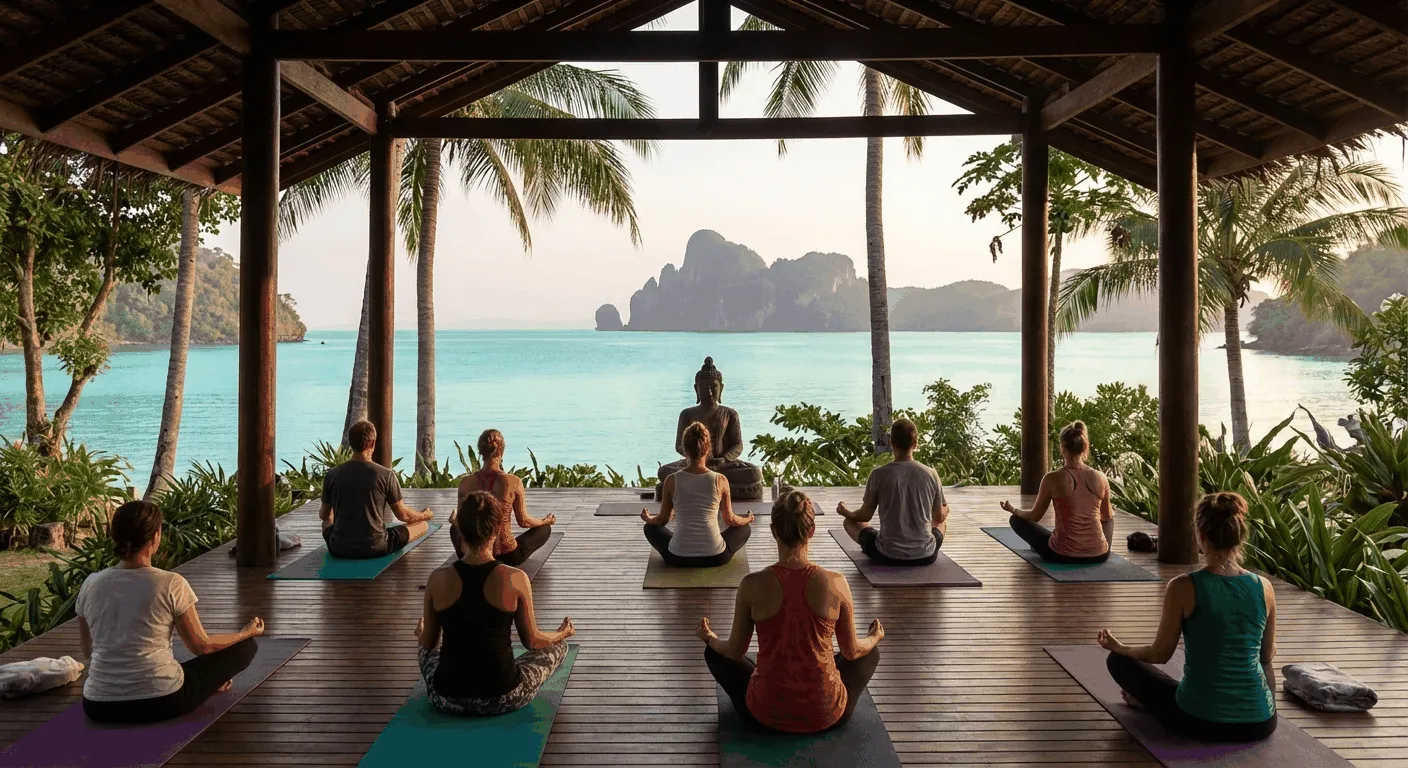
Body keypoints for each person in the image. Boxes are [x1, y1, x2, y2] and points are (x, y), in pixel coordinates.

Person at [697, 491, 883, 733]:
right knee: (870, 653)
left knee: (714, 654)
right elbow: (851, 651)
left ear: (774, 531)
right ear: (811, 531)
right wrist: (874, 637)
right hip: (827, 712)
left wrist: (709, 638)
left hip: (764, 712)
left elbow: (734, 651)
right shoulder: (836, 582)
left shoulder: (751, 584)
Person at [1099, 491, 1278, 742]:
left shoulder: (1183, 587)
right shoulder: (1264, 587)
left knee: (1118, 662)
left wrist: (1121, 647)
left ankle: (1146, 703)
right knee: (1258, 667)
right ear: (1239, 537)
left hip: (1199, 720)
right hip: (1261, 723)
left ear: (1202, 537)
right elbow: (1266, 657)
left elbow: (1159, 655)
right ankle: (1258, 704)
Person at [76, 500, 266, 724]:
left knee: (182, 667)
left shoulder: (91, 584)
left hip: (98, 705)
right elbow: (202, 646)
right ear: (155, 537)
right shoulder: (170, 583)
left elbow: (88, 652)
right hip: (162, 700)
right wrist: (246, 632)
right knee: (245, 647)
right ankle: (214, 681)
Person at [417, 491, 575, 716]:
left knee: (422, 649)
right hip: (504, 697)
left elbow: (429, 642)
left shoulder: (437, 579)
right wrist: (562, 633)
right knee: (559, 646)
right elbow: (532, 641)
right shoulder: (515, 578)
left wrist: (421, 632)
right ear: (498, 529)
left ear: (459, 528)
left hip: (446, 697)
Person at [836, 418, 948, 566]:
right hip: (925, 555)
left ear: (891, 442)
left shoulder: (878, 474)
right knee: (942, 521)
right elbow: (938, 517)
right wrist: (945, 510)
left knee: (849, 522)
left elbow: (865, 515)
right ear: (915, 444)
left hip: (886, 554)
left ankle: (880, 541)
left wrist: (846, 513)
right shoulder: (931, 474)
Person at [642, 422, 754, 567]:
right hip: (716, 556)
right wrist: (748, 519)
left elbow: (663, 520)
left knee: (649, 528)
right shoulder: (720, 480)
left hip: (678, 557)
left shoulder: (671, 480)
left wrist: (648, 518)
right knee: (745, 528)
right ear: (707, 449)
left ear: (684, 450)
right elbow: (730, 519)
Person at [1000, 421, 1114, 563]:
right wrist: (1104, 549)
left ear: (1062, 448)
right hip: (1099, 555)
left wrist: (1013, 510)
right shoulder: (1101, 477)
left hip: (1062, 555)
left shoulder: (1052, 478)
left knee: (1016, 520)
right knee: (1109, 516)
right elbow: (1107, 518)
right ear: (1085, 447)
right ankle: (1103, 548)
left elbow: (1034, 516)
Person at [320, 420, 433, 559]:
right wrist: (424, 515)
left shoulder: (332, 474)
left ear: (350, 444)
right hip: (376, 547)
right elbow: (402, 515)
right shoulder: (386, 475)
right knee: (422, 526)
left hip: (338, 547)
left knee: (326, 524)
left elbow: (324, 516)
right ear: (372, 443)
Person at [453, 429, 555, 565]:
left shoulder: (466, 483)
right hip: (507, 556)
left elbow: (460, 522)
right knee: (545, 530)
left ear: (480, 452)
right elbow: (523, 521)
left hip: (472, 554)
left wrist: (454, 520)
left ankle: (470, 556)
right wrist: (544, 521)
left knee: (453, 529)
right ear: (501, 452)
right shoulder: (513, 482)